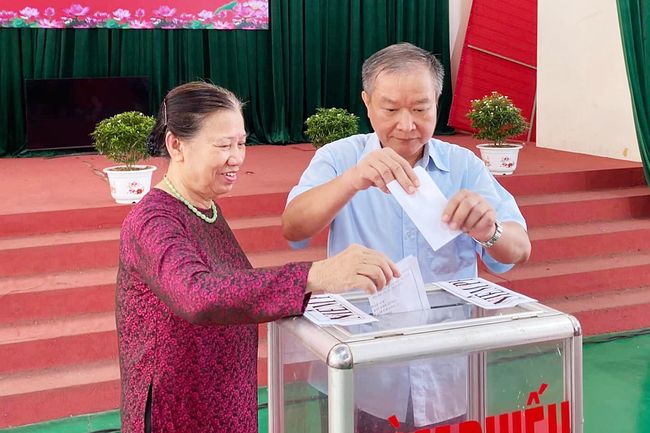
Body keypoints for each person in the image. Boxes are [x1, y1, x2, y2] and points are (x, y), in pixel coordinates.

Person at [115, 81, 400, 433]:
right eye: (223, 145)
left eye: (241, 143)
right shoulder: (153, 219)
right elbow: (197, 295)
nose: (237, 157)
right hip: (176, 410)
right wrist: (315, 275)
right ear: (176, 145)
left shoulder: (204, 208)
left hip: (222, 399)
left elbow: (233, 289)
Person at [282, 43, 531, 431]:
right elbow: (293, 226)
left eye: (420, 109)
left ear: (437, 103)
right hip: (361, 367)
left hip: (445, 368)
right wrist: (352, 180)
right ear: (367, 103)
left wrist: (489, 230)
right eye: (391, 109)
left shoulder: (463, 166)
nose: (406, 125)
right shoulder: (340, 158)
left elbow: (519, 248)